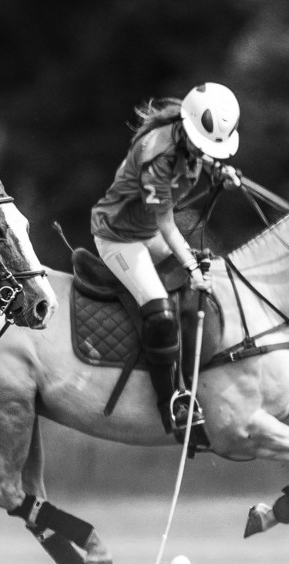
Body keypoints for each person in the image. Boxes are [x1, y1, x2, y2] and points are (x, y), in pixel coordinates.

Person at [88, 82, 240, 431]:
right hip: (120, 237)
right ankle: (171, 403)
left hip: (147, 232)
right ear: (186, 129)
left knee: (198, 284)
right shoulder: (156, 156)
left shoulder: (188, 137)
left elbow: (199, 156)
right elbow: (167, 223)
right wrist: (189, 266)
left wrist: (220, 172)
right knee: (159, 310)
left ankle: (193, 381)